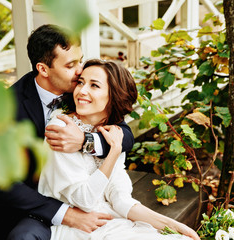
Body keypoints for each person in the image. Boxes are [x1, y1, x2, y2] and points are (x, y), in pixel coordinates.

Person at [0, 24, 135, 240]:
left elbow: (124, 134)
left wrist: (85, 140)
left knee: (24, 237)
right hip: (5, 201)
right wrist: (65, 215)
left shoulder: (81, 92)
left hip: (52, 204)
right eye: (71, 65)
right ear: (43, 69)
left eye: (80, 60)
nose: (80, 70)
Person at [38, 59, 201, 240]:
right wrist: (114, 152)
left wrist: (173, 225)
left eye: (94, 86)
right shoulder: (61, 129)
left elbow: (120, 199)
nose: (81, 91)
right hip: (76, 228)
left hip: (110, 221)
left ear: (114, 95)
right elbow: (84, 200)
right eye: (81, 82)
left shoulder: (111, 132)